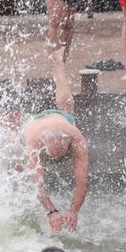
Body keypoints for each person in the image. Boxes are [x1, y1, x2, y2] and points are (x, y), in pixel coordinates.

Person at [24, 47, 89, 233]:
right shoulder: (33, 142)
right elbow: (37, 182)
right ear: (44, 147)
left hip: (61, 120)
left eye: (64, 154)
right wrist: (51, 211)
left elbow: (82, 181)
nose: (59, 160)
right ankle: (57, 62)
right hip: (33, 126)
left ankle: (58, 62)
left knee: (67, 106)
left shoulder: (76, 138)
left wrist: (74, 210)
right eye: (54, 156)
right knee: (16, 156)